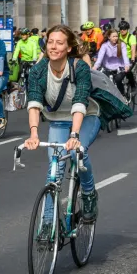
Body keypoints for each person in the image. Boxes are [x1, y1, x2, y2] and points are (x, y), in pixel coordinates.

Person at [24, 24, 101, 223]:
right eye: (50, 42)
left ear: (68, 48)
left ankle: (89, 195)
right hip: (58, 120)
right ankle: (47, 224)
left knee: (77, 154)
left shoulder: (79, 67)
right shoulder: (38, 70)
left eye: (59, 43)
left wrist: (75, 135)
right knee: (54, 172)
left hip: (86, 117)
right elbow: (34, 103)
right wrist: (34, 134)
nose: (54, 46)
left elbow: (80, 101)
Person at [93, 29, 130, 96]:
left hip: (119, 67)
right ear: (109, 37)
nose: (115, 38)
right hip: (107, 67)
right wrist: (95, 67)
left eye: (116, 36)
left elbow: (125, 56)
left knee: (118, 80)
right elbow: (100, 58)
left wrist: (127, 65)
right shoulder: (104, 46)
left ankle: (122, 95)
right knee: (104, 82)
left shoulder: (121, 45)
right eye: (113, 36)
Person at [117, 20, 137, 93]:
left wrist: (132, 60)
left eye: (124, 29)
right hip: (119, 58)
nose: (122, 30)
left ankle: (133, 85)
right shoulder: (117, 36)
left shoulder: (131, 37)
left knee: (127, 70)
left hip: (129, 58)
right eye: (121, 29)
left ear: (127, 29)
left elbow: (133, 49)